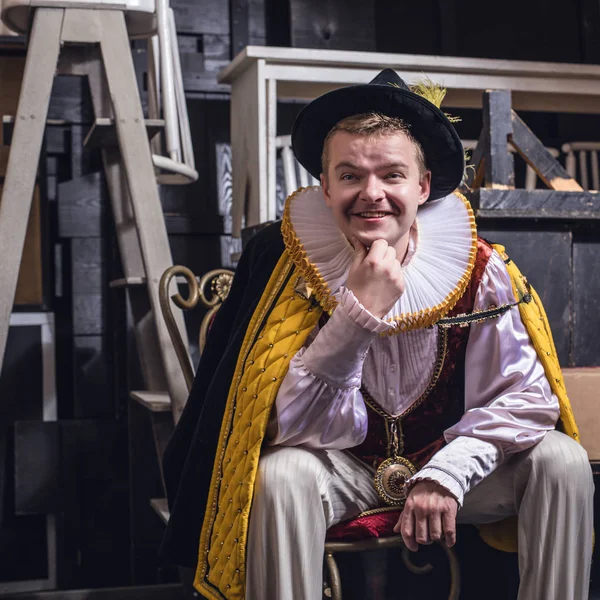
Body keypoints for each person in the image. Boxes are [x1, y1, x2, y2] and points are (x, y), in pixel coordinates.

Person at [160, 69, 594, 600]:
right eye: (350, 176)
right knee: (279, 475)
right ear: (325, 187)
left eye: (391, 175)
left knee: (561, 460)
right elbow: (283, 429)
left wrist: (446, 472)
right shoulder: (288, 274)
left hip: (447, 459)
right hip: (343, 471)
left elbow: (527, 398)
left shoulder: (480, 269)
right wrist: (356, 316)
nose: (372, 195)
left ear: (423, 186)